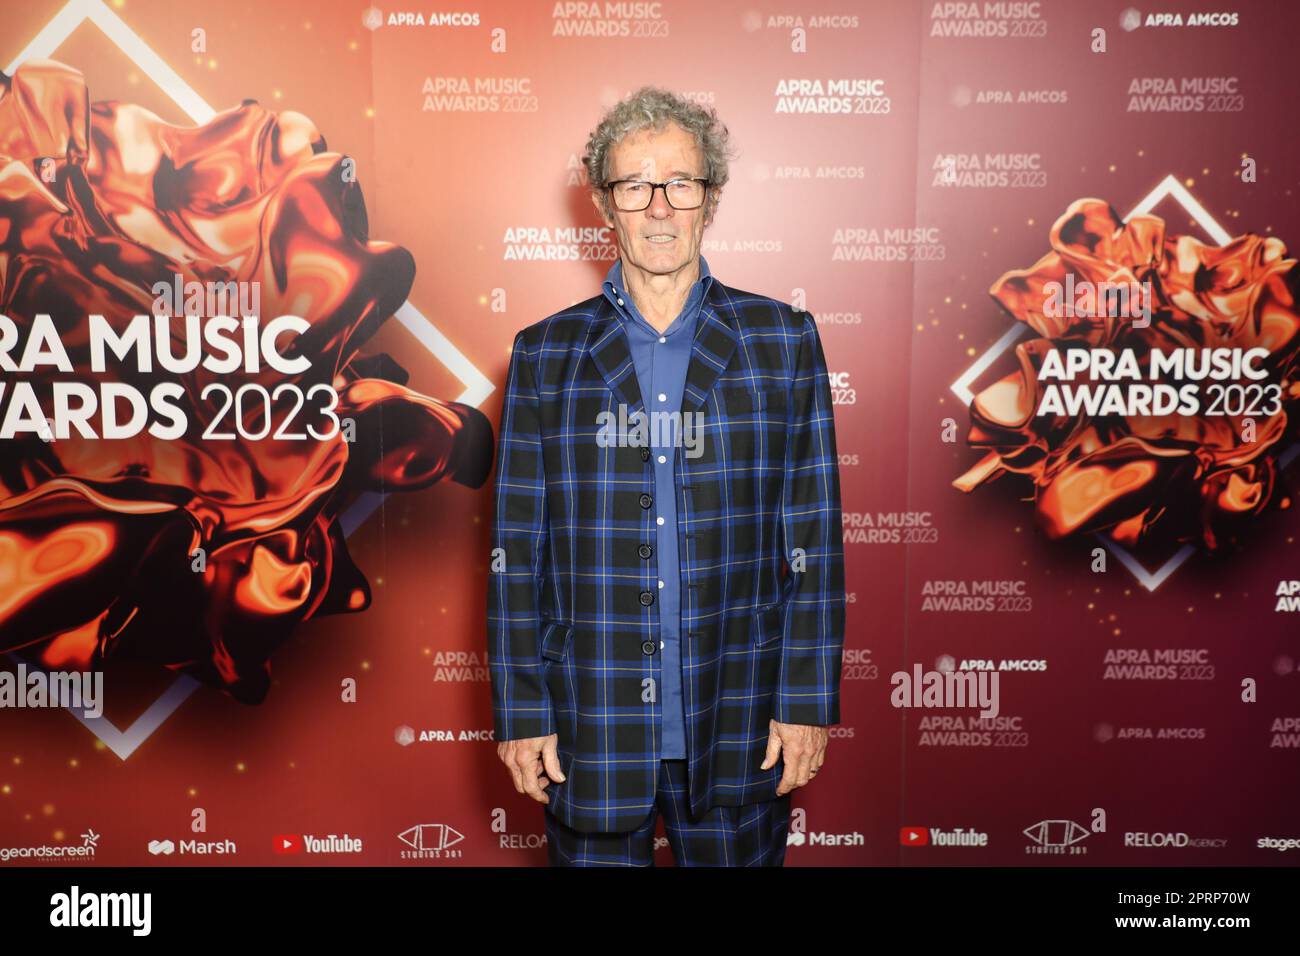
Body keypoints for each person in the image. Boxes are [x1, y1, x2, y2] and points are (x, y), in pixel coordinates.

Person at [487, 86, 845, 866]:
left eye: (680, 184)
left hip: (742, 716)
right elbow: (517, 552)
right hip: (590, 721)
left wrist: (807, 701)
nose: (658, 207)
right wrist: (522, 710)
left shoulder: (782, 341)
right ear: (603, 202)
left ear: (709, 199)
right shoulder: (544, 355)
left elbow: (813, 539)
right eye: (634, 185)